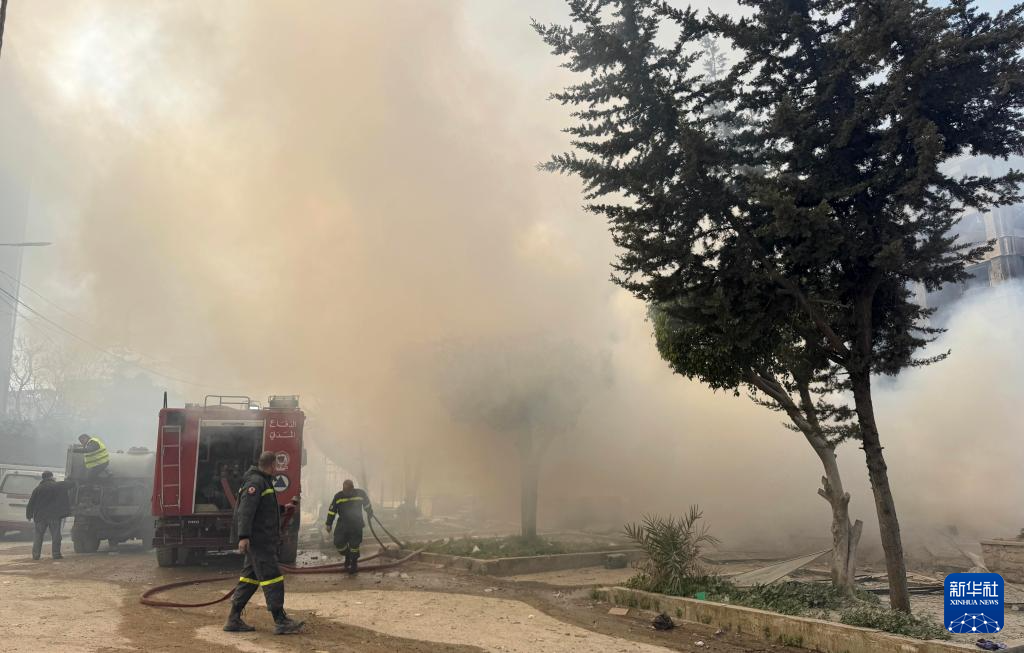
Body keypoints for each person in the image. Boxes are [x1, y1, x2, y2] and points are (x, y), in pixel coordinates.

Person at [224, 451, 304, 635]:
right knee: (272, 577)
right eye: (276, 466)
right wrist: (243, 536)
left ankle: (233, 619)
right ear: (272, 465)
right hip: (259, 541)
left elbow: (263, 508)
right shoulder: (256, 482)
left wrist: (283, 508)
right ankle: (280, 620)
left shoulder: (262, 481)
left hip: (260, 541)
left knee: (249, 580)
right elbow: (246, 511)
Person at [325, 479, 373, 575]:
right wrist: (328, 523)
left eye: (348, 491)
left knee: (354, 545)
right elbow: (332, 511)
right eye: (345, 491)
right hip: (342, 524)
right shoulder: (338, 496)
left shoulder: (360, 494)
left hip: (356, 524)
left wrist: (369, 512)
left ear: (352, 488)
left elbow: (367, 504)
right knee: (338, 542)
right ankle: (348, 555)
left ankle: (354, 564)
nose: (347, 493)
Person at [26, 471, 71, 561]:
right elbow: (70, 484)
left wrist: (29, 515)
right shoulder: (57, 486)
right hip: (54, 516)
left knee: (38, 536)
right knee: (56, 536)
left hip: (40, 516)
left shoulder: (37, 489)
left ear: (43, 478)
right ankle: (56, 554)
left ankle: (36, 555)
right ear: (51, 477)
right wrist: (70, 479)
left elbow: (31, 503)